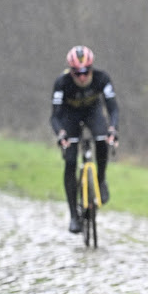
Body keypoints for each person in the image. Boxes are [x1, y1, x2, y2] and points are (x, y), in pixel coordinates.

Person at [51, 45, 119, 233]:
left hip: (92, 112)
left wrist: (113, 129)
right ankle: (74, 215)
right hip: (70, 116)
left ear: (91, 68)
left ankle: (101, 179)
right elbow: (55, 116)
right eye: (77, 72)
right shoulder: (62, 83)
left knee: (103, 139)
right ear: (70, 71)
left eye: (85, 71)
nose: (82, 76)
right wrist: (61, 134)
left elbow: (113, 108)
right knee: (71, 161)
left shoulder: (102, 78)